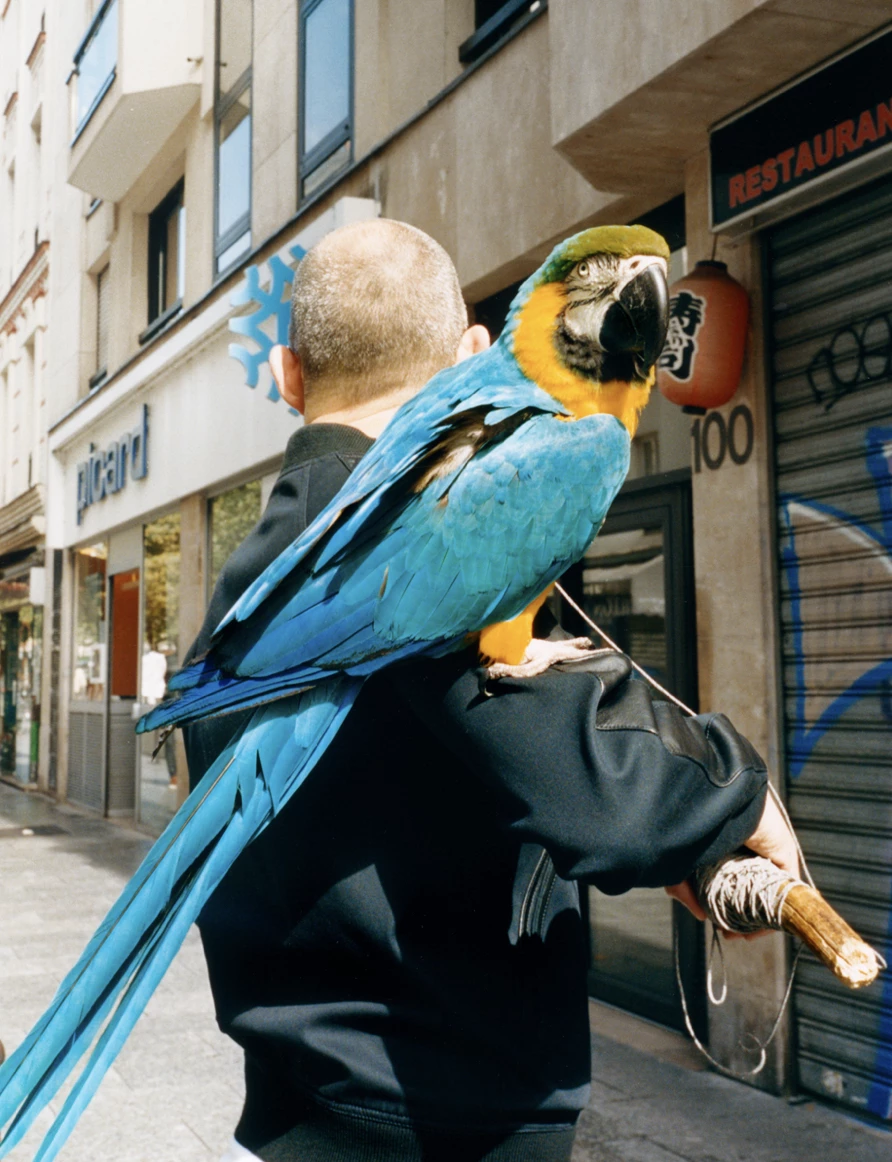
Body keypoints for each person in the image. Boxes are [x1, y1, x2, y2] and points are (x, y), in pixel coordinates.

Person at [183, 219, 797, 1162]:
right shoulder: (438, 511)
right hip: (452, 1123)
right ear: (473, 352)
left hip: (295, 1105)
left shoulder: (252, 573)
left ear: (289, 376)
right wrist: (729, 792)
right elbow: (567, 768)